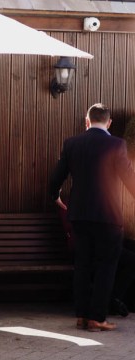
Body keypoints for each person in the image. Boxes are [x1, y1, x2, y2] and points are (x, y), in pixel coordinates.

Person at [49, 103, 135, 332]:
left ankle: (81, 316)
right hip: (108, 217)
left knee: (83, 265)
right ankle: (97, 318)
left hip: (79, 216)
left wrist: (55, 196)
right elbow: (130, 181)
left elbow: (56, 177)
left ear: (87, 122)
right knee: (107, 266)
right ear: (109, 122)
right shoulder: (117, 144)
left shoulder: (72, 144)